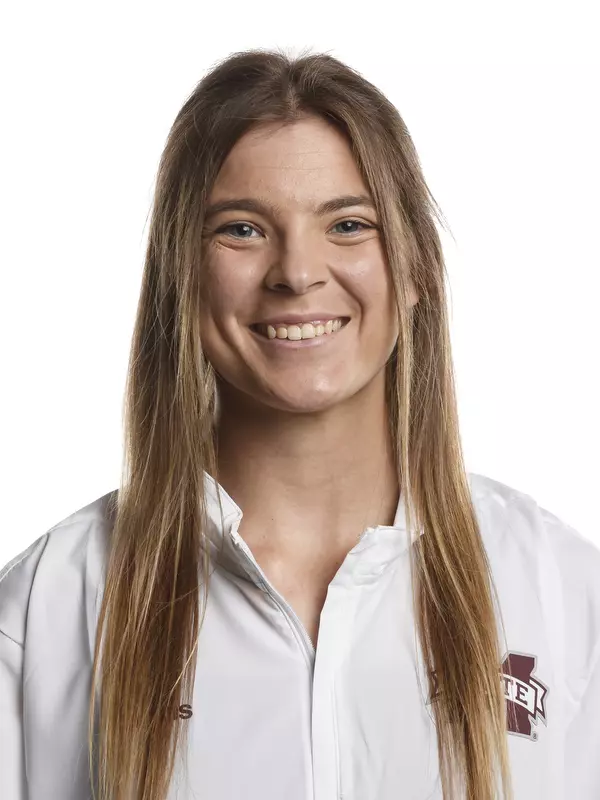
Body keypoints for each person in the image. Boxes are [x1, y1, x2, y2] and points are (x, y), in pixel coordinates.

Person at [1, 47, 598, 800]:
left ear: (414, 269)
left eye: (348, 224)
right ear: (181, 277)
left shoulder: (563, 596)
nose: (297, 271)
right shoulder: (48, 608)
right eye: (243, 230)